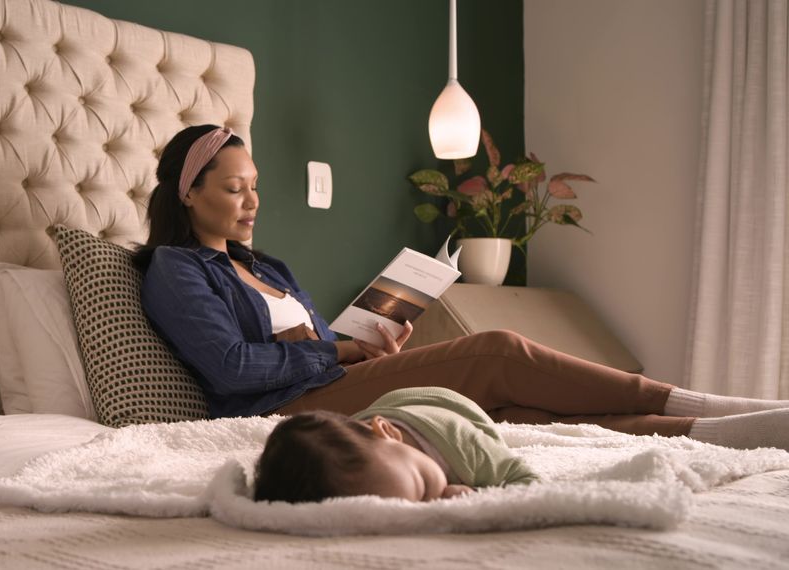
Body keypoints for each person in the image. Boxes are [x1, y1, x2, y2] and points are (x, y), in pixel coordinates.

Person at [134, 124, 789, 451]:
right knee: (498, 350)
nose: (252, 200)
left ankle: (711, 432)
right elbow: (230, 368)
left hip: (325, 384)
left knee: (506, 416)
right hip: (279, 414)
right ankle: (697, 401)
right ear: (189, 194)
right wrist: (337, 354)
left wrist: (365, 340)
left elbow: (318, 342)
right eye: (233, 188)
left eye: (254, 185)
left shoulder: (267, 265)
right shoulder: (176, 269)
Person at [253, 387, 538, 503]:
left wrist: (476, 496)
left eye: (425, 488)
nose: (437, 502)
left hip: (446, 405)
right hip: (375, 421)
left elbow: (529, 482)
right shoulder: (378, 470)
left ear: (387, 432)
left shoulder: (466, 447)